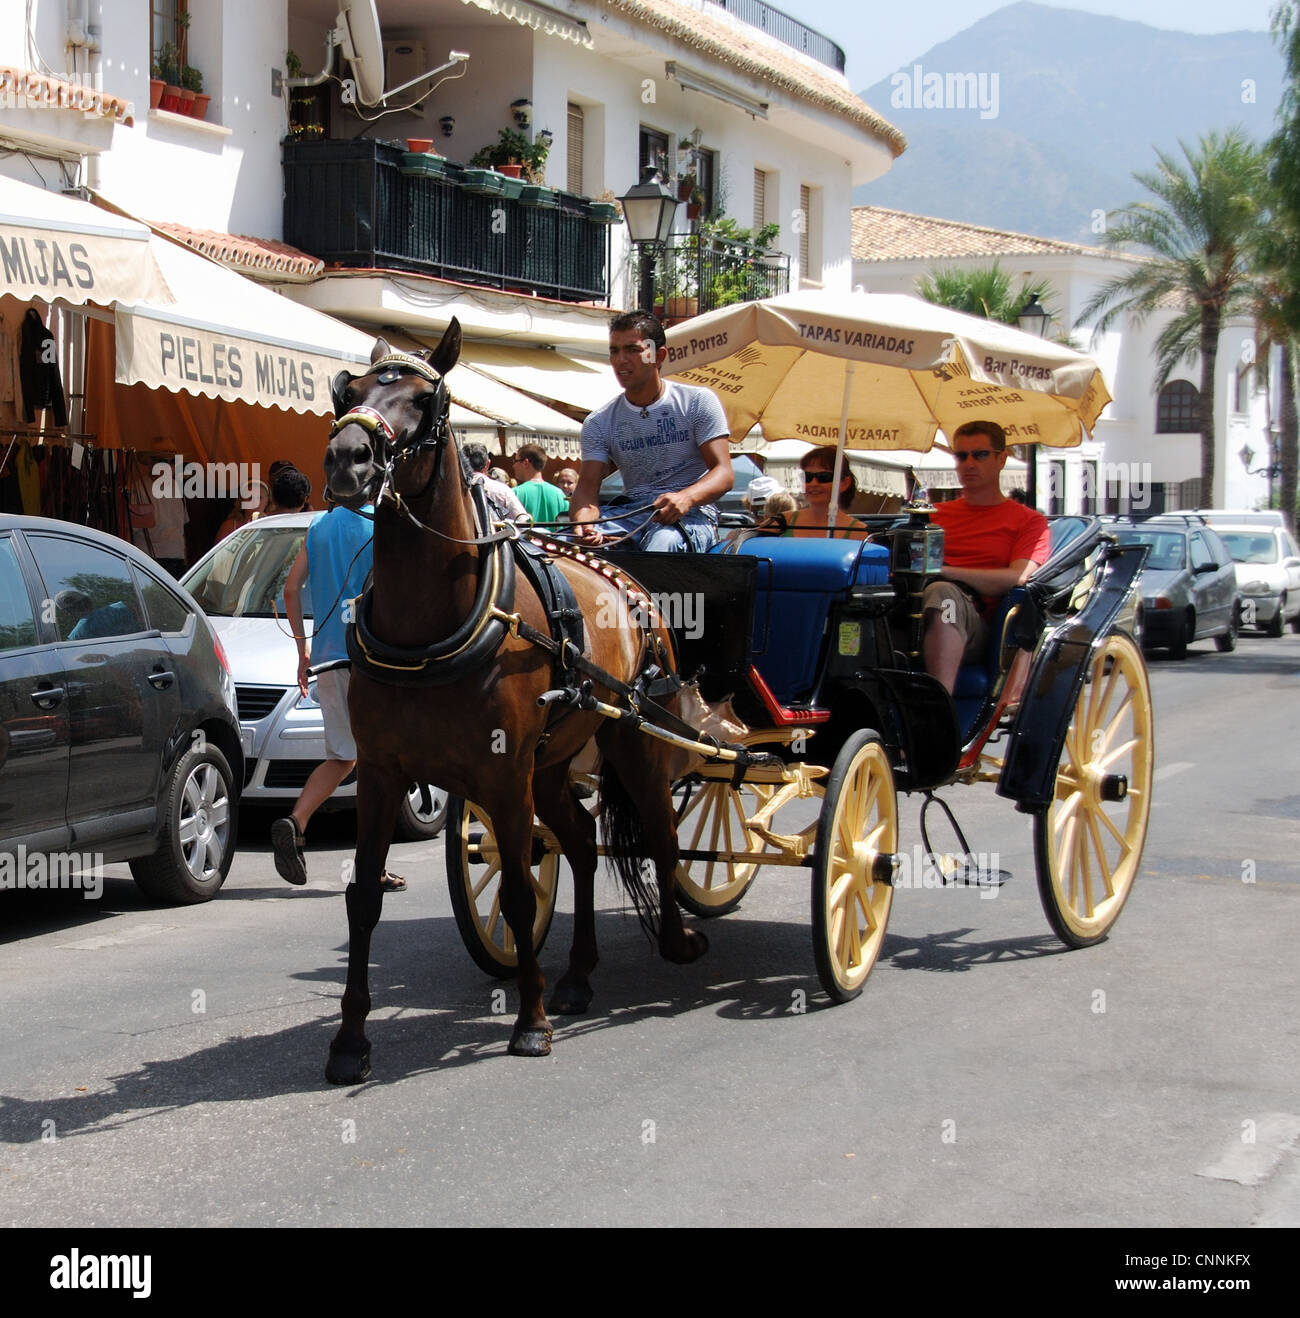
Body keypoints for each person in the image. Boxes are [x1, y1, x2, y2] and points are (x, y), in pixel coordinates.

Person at [273, 504, 406, 893]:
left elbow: (290, 589)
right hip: (374, 658)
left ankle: (296, 822)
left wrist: (303, 651)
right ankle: (372, 866)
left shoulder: (318, 526)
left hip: (329, 656)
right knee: (380, 762)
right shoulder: (381, 521)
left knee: (343, 756)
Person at [569, 311, 732, 551]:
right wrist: (584, 522)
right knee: (550, 547)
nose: (620, 360)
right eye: (614, 351)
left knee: (661, 544)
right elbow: (586, 490)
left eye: (632, 350)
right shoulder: (598, 422)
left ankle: (670, 592)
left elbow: (724, 473)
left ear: (659, 355)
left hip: (693, 516)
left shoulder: (697, 401)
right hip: (631, 513)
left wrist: (686, 498)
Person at [922, 420, 1050, 694]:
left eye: (979, 455)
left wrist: (945, 572)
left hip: (977, 627)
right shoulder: (931, 515)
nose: (969, 463)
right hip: (919, 612)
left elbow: (1017, 577)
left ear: (1001, 459)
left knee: (944, 597)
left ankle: (938, 708)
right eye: (961, 456)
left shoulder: (1029, 522)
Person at [782, 449, 865, 538]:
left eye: (824, 477)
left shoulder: (858, 532)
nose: (813, 483)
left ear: (845, 483)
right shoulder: (783, 522)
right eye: (807, 476)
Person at [463, 442, 528, 523]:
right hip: (498, 534)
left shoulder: (451, 490)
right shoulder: (503, 490)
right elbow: (521, 522)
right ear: (488, 464)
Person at [510, 443, 568, 524]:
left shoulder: (514, 493)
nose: (513, 466)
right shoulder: (560, 494)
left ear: (526, 462)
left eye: (515, 461)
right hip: (553, 536)